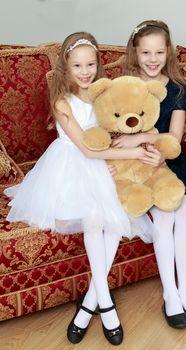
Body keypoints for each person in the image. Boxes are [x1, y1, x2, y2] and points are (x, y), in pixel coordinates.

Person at [4, 31, 156, 345]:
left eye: (90, 64)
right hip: (69, 166)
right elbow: (86, 150)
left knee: (115, 222)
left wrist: (123, 152)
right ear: (66, 68)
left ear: (98, 65)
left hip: (100, 163)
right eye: (77, 66)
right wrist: (132, 153)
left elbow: (109, 134)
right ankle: (107, 307)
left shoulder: (103, 94)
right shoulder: (62, 99)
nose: (85, 72)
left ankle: (88, 304)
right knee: (93, 218)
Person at [112, 20, 186, 329]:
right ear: (135, 53)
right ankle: (170, 295)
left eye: (159, 52)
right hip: (135, 164)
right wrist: (134, 146)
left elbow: (175, 137)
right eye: (146, 53)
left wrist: (142, 140)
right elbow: (113, 128)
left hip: (167, 158)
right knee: (166, 214)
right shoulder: (125, 84)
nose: (152, 60)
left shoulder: (178, 88)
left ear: (168, 52)